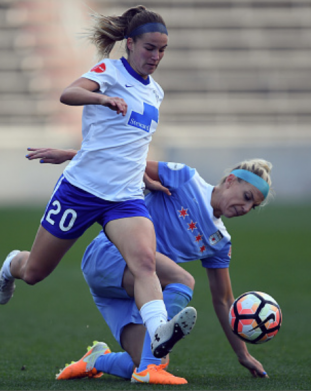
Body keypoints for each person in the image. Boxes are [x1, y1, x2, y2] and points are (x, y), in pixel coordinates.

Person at [0, 5, 196, 359]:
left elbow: (128, 148)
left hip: (125, 198)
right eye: (150, 47)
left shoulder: (156, 93)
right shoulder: (109, 71)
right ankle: (14, 263)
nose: (156, 56)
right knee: (37, 272)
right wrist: (101, 97)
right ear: (129, 44)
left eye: (162, 50)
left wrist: (148, 179)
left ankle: (159, 328)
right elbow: (68, 94)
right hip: (81, 191)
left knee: (144, 263)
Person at [26, 147, 273, 384]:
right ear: (230, 180)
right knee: (183, 281)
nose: (246, 208)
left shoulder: (220, 242)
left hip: (130, 290)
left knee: (147, 359)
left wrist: (243, 354)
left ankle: (95, 361)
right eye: (247, 197)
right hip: (108, 255)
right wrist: (69, 155)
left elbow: (224, 301)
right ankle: (148, 366)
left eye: (253, 206)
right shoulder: (187, 179)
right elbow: (125, 165)